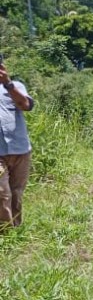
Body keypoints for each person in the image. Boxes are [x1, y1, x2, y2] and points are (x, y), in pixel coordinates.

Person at [0, 58, 35, 230]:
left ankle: (15, 228)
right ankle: (5, 231)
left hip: (20, 149)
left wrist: (7, 83)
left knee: (16, 192)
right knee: (2, 192)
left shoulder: (16, 86)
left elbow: (26, 105)